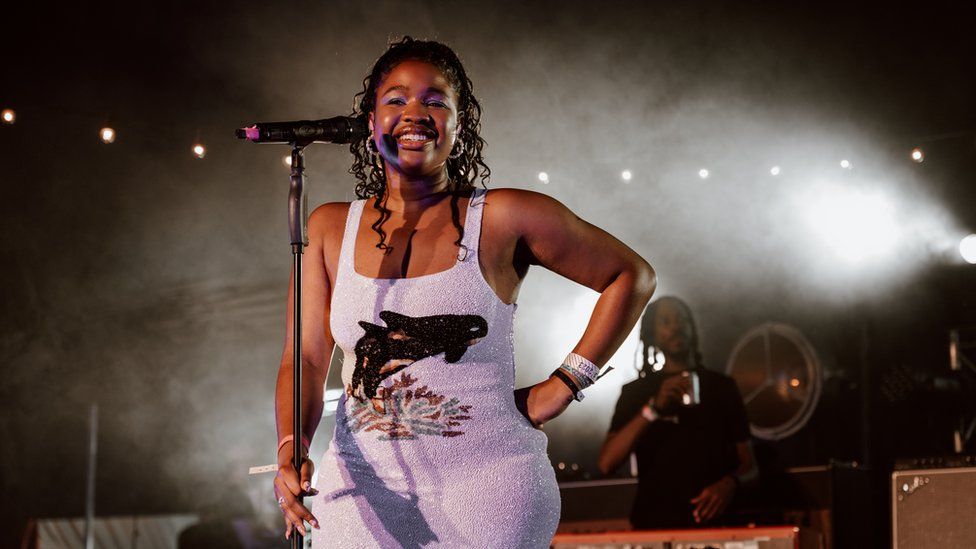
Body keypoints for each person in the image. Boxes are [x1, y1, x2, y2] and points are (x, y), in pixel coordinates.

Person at [271, 37, 656, 548]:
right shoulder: (327, 227)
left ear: (458, 123)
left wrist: (565, 383)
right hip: (361, 492)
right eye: (396, 99)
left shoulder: (503, 216)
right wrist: (289, 445)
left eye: (435, 101)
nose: (415, 112)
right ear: (369, 123)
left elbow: (632, 276)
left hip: (489, 487)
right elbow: (306, 358)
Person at [597, 296, 758, 530]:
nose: (676, 327)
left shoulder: (722, 386)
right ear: (653, 334)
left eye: (682, 320)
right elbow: (607, 463)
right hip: (654, 526)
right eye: (666, 321)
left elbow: (751, 467)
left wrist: (730, 484)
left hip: (716, 528)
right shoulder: (636, 392)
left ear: (692, 327)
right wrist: (653, 409)